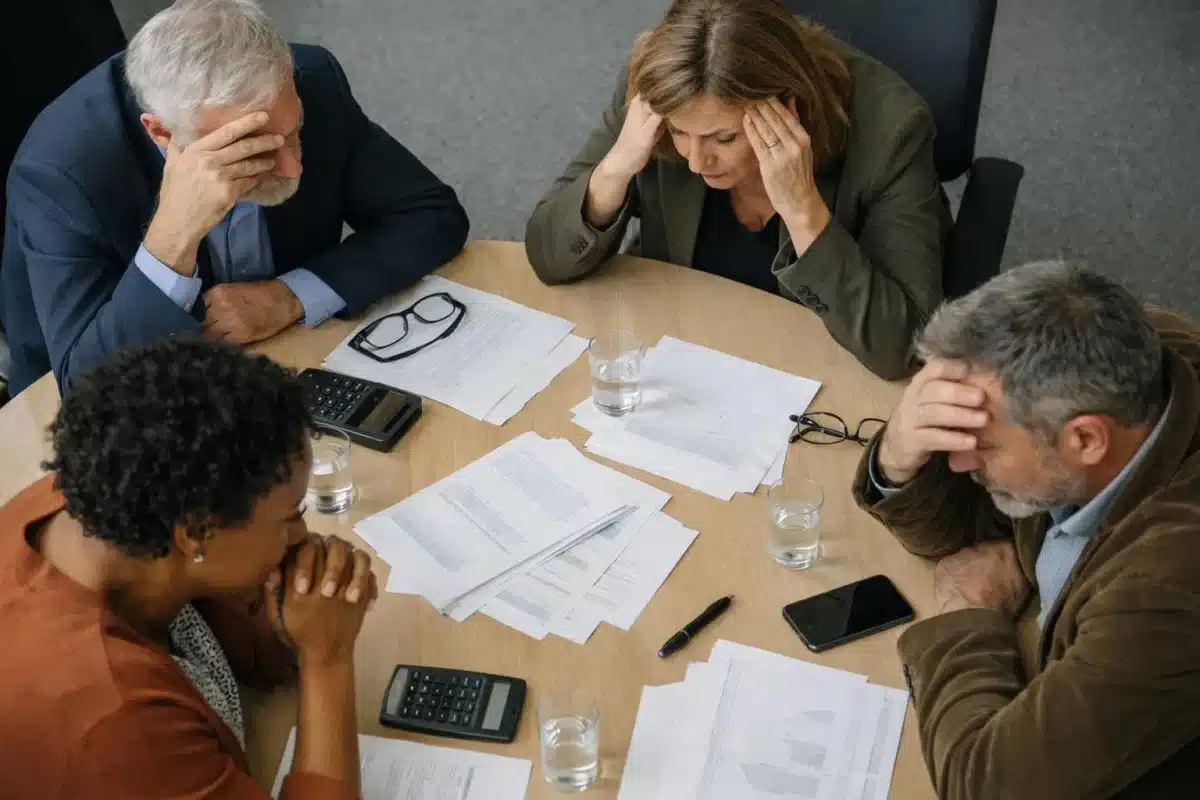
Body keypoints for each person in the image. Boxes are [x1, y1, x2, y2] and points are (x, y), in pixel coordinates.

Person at [852, 260, 1200, 798]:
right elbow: (961, 532)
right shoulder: (1117, 356)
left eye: (983, 445)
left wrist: (970, 615)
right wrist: (900, 452)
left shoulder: (1166, 590)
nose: (958, 463)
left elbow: (986, 787)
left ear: (1086, 440)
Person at [0, 0, 469, 396]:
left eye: (295, 132)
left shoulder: (311, 80)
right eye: (253, 152)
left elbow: (431, 214)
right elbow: (85, 384)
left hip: (287, 363)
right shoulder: (61, 172)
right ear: (163, 134)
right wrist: (172, 236)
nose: (292, 168)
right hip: (130, 402)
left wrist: (289, 296)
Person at [0, 338, 376, 798]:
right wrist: (328, 657)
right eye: (290, 516)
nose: (303, 534)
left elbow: (221, 621)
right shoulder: (115, 718)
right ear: (196, 533)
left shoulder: (112, 493)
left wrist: (287, 614)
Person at [525, 0, 949, 380]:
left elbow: (902, 348)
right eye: (679, 133)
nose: (696, 162)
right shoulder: (660, 89)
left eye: (723, 138)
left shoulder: (892, 131)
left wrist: (803, 211)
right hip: (680, 347)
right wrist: (617, 167)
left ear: (787, 106)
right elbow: (548, 255)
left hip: (812, 370)